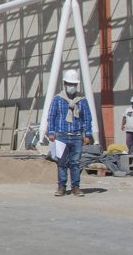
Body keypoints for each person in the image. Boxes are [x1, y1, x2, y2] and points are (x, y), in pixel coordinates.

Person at [47, 69, 93, 197]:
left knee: (75, 163)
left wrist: (87, 134)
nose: (72, 87)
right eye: (69, 83)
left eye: (74, 84)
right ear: (65, 83)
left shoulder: (82, 100)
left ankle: (76, 187)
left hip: (76, 136)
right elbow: (51, 116)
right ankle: (61, 187)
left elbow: (87, 117)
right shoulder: (57, 99)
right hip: (61, 135)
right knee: (62, 163)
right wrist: (51, 132)